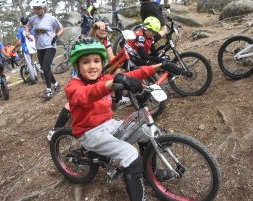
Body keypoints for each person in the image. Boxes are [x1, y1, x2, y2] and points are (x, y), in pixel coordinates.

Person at [65, 37, 181, 201]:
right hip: (89, 132)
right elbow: (85, 95)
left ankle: (150, 173)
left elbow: (132, 74)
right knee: (130, 154)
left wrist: (160, 66)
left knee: (147, 131)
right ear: (77, 65)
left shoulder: (103, 78)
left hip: (108, 125)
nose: (92, 66)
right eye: (86, 62)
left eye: (97, 61)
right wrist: (112, 84)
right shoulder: (73, 86)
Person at [47, 17, 129, 141]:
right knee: (73, 102)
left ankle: (117, 100)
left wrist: (120, 73)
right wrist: (95, 26)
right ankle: (56, 128)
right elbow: (90, 37)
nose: (103, 31)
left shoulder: (106, 41)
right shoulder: (90, 40)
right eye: (101, 28)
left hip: (95, 71)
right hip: (80, 73)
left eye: (106, 29)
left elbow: (112, 59)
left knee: (100, 91)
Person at [26, 0, 64, 99]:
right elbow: (27, 26)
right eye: (35, 8)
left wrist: (57, 37)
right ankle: (56, 84)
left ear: (44, 8)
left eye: (38, 8)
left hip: (50, 46)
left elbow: (61, 28)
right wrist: (27, 32)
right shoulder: (33, 19)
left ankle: (48, 90)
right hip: (39, 47)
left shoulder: (51, 18)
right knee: (44, 69)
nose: (36, 10)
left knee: (46, 68)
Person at [13, 16, 38, 85]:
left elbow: (19, 42)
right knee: (32, 62)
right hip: (33, 47)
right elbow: (35, 38)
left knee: (29, 63)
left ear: (22, 22)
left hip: (26, 48)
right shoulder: (32, 29)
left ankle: (33, 79)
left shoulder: (21, 30)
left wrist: (14, 48)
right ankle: (36, 75)